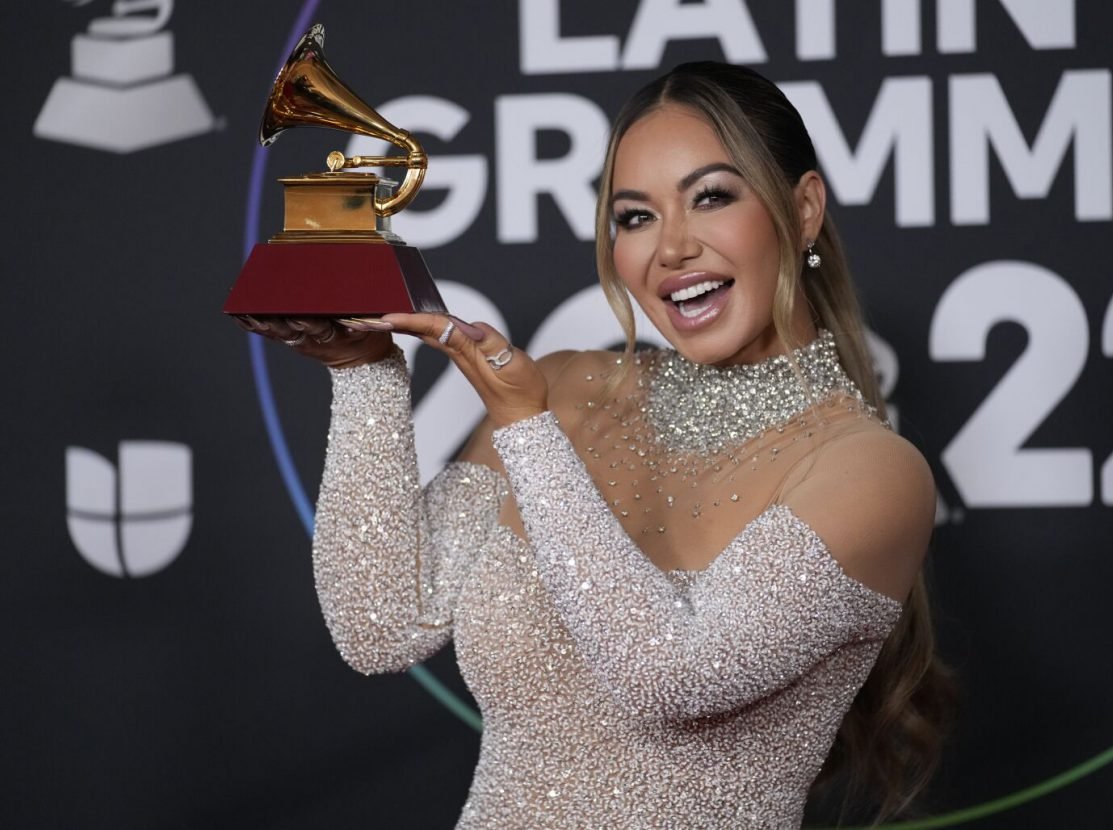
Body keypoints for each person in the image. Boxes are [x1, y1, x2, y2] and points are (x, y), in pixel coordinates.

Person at [240, 61, 951, 828]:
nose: (671, 248)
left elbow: (668, 677)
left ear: (802, 209)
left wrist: (528, 431)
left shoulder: (872, 471)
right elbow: (381, 624)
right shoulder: (569, 391)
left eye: (711, 197)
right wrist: (366, 374)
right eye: (635, 216)